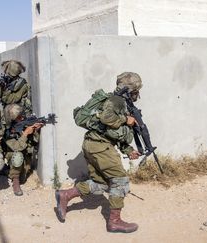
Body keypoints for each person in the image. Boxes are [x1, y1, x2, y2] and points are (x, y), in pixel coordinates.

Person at [55, 72, 143, 233]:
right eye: (137, 90)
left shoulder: (116, 101)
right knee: (120, 181)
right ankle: (115, 222)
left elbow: (111, 131)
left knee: (100, 184)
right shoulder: (116, 101)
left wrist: (128, 150)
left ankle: (65, 195)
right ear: (131, 90)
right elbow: (106, 119)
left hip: (92, 144)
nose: (138, 94)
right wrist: (126, 120)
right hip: (101, 147)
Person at [3, 104, 43, 196]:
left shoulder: (23, 125)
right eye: (19, 117)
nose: (22, 118)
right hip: (15, 157)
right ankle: (15, 182)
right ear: (12, 119)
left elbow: (34, 143)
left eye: (22, 115)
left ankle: (8, 171)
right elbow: (17, 147)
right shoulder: (8, 131)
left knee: (23, 179)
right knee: (18, 156)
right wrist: (25, 134)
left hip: (26, 159)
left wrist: (35, 131)